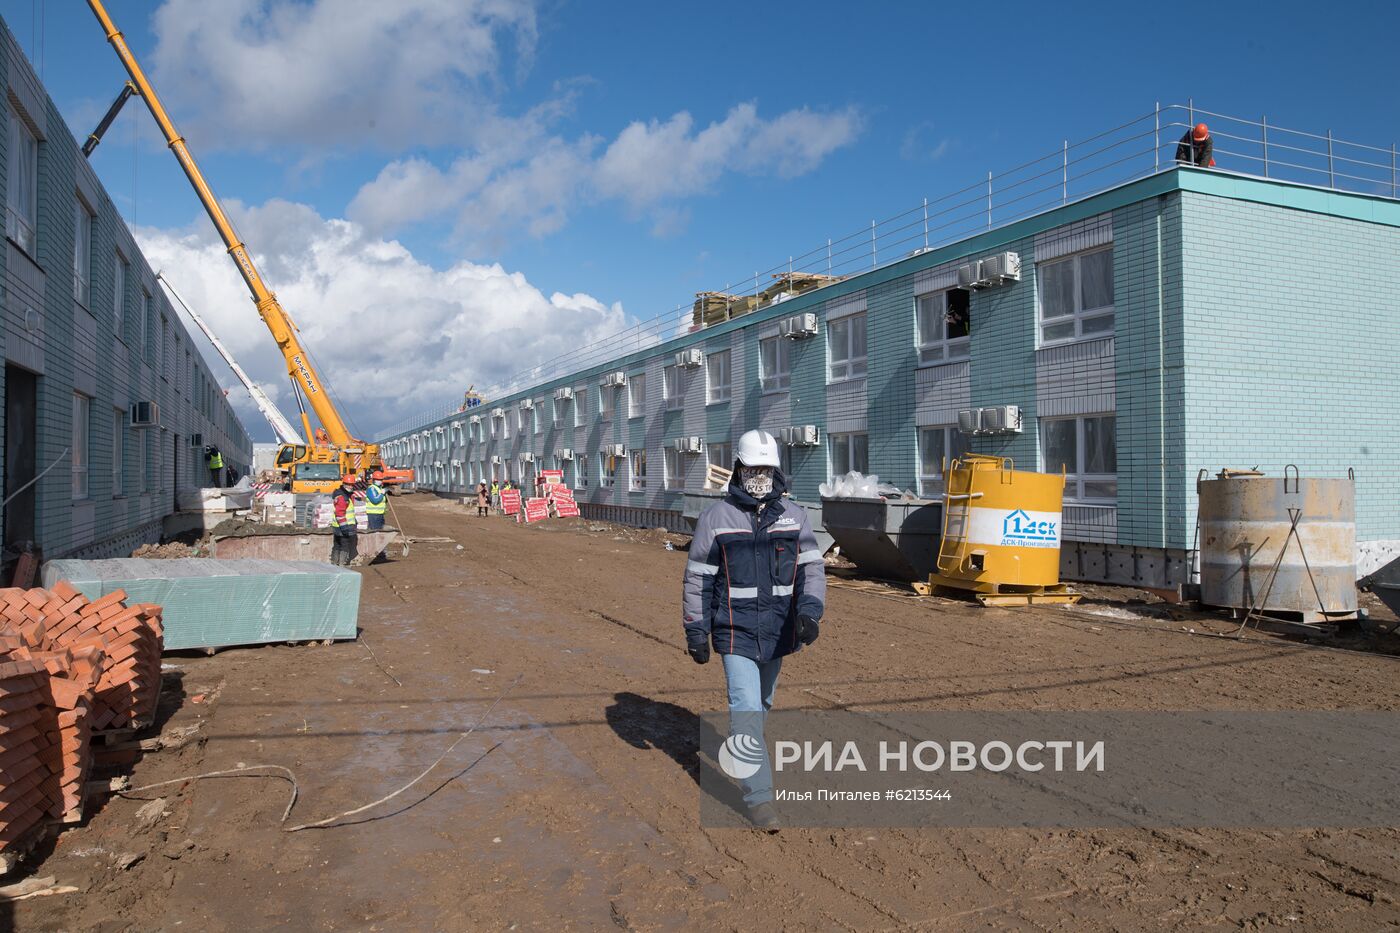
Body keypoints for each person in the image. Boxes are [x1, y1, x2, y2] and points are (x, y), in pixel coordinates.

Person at [682, 429, 826, 831]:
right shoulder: (717, 519)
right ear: (740, 469)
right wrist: (697, 629)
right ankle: (759, 798)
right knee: (745, 712)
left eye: (767, 469)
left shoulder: (794, 516)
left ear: (777, 470)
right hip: (734, 633)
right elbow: (698, 579)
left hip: (779, 633)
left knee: (761, 705)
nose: (760, 477)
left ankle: (747, 756)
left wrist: (810, 611)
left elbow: (812, 569)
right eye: (753, 469)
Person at [330, 475, 359, 567]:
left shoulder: (344, 495)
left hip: (337, 526)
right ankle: (342, 565)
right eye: (348, 485)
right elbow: (340, 513)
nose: (351, 487)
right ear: (344, 484)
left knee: (337, 544)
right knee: (344, 545)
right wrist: (344, 527)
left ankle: (334, 564)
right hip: (343, 526)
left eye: (352, 485)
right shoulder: (343, 497)